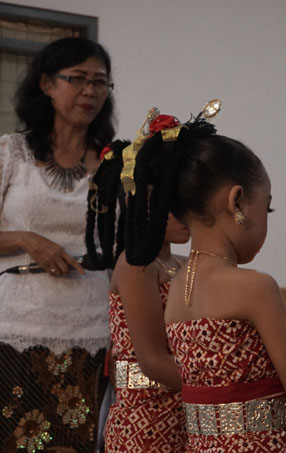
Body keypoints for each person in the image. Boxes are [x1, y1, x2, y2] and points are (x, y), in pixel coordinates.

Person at [120, 109, 286, 452]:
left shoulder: (177, 287)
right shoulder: (256, 287)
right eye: (267, 208)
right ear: (236, 201)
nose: (266, 220)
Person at [0, 37, 115, 451]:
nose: (90, 91)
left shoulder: (113, 164)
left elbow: (125, 245)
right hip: (15, 327)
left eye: (100, 82)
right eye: (78, 79)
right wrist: (27, 239)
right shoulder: (10, 152)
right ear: (47, 84)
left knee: (76, 443)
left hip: (92, 327)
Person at [84, 127, 190, 451]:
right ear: (140, 199)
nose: (189, 213)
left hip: (186, 415)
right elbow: (153, 361)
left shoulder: (184, 263)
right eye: (176, 202)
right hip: (146, 424)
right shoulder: (135, 266)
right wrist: (224, 387)